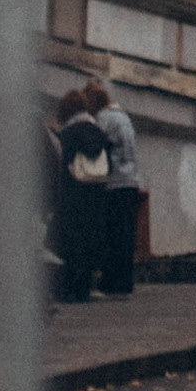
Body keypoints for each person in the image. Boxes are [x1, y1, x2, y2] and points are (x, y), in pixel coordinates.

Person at [84, 74, 145, 296]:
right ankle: (124, 284)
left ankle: (112, 284)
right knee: (125, 237)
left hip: (114, 182)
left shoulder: (104, 119)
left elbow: (98, 147)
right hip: (131, 180)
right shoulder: (123, 117)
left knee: (112, 236)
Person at [53, 86, 114, 303]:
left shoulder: (68, 134)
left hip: (74, 194)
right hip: (96, 193)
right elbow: (110, 162)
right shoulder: (98, 132)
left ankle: (69, 289)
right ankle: (84, 289)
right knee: (89, 240)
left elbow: (62, 163)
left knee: (72, 242)